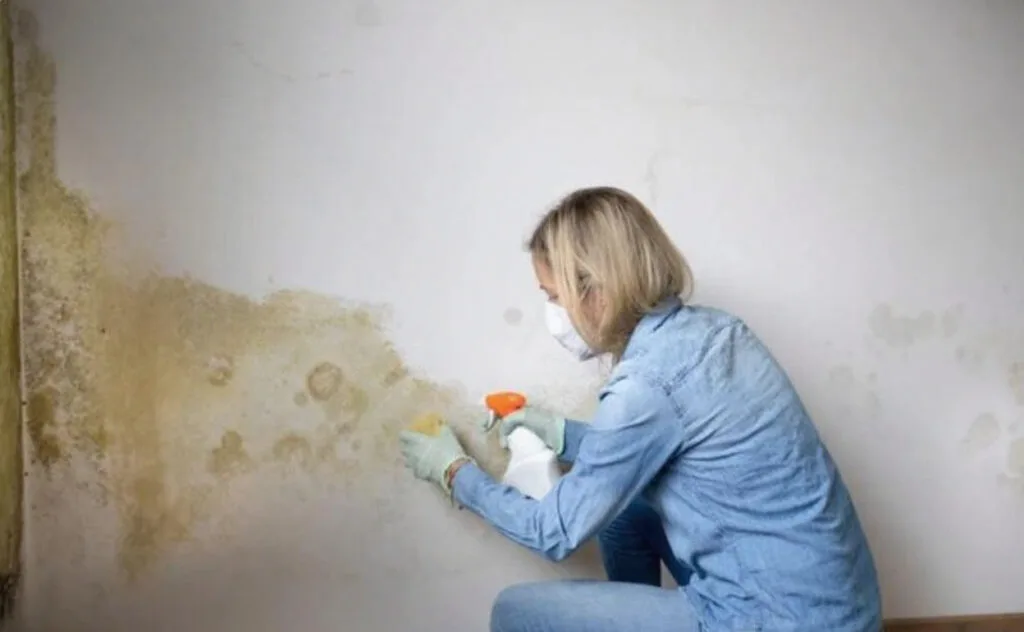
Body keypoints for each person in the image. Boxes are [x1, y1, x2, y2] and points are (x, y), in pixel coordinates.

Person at [399, 186, 882, 631]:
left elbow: (554, 532)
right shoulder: (719, 332)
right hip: (839, 604)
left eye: (554, 297)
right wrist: (560, 433)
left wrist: (454, 471)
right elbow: (664, 449)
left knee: (512, 611)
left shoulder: (646, 385)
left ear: (597, 290)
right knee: (622, 511)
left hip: (777, 619)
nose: (553, 315)